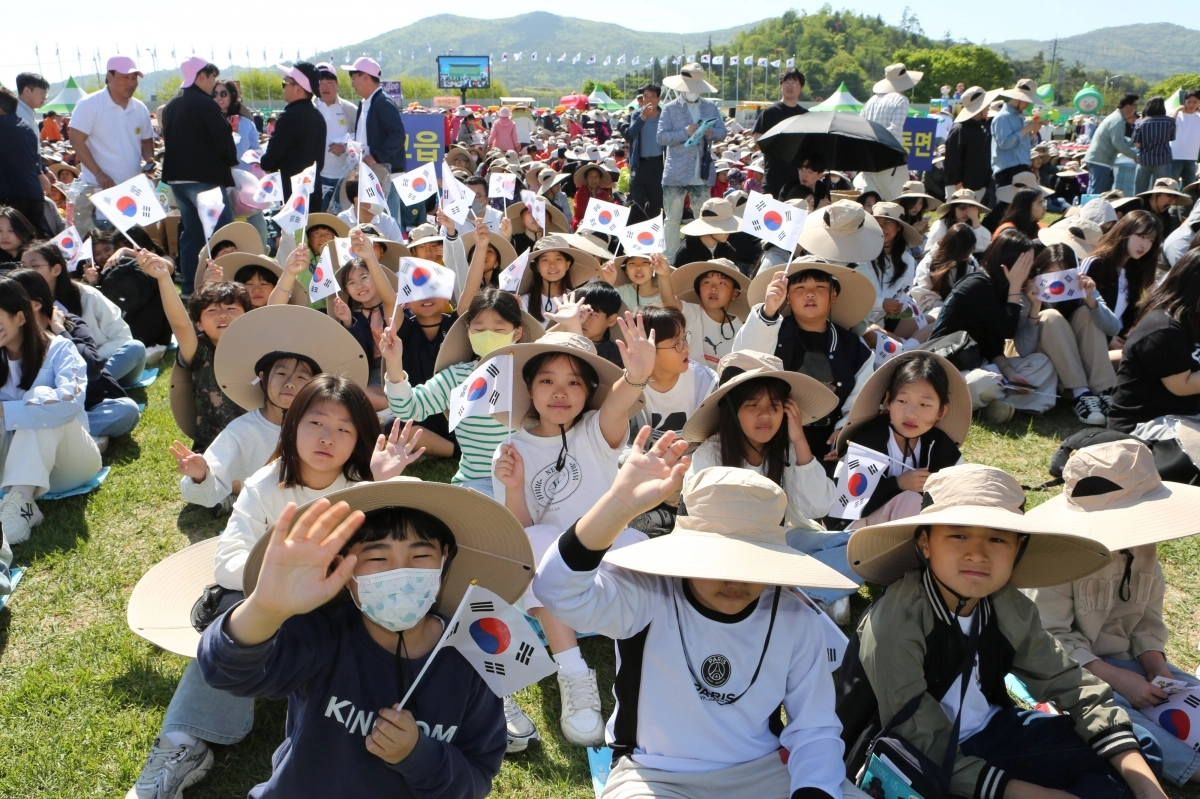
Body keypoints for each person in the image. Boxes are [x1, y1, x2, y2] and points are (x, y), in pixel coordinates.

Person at [534, 436, 871, 799]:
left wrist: (814, 791)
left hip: (763, 770)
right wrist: (617, 505)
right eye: (717, 561)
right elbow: (557, 591)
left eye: (752, 563)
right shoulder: (649, 592)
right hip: (655, 775)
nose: (734, 581)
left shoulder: (793, 614)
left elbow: (814, 728)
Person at [133, 377, 416, 798]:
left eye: (344, 429)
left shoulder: (364, 484)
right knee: (232, 626)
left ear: (359, 437)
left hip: (340, 613)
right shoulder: (265, 484)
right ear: (292, 426)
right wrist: (283, 579)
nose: (327, 438)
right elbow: (228, 563)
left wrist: (378, 486)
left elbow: (394, 563)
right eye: (316, 422)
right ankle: (184, 743)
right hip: (271, 606)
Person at [843, 463, 1169, 799]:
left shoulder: (1007, 605)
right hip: (908, 757)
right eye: (958, 534)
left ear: (1019, 548)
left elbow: (1070, 683)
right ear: (925, 543)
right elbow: (917, 737)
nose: (977, 554)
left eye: (997, 538)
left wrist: (1148, 788)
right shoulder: (896, 621)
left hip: (992, 733)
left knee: (1139, 751)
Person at [198, 475, 524, 798]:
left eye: (420, 556)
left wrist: (418, 755)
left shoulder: (472, 661)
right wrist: (265, 609)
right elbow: (225, 672)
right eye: (378, 558)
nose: (399, 572)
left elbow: (475, 779)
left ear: (445, 560)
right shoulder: (321, 632)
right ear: (344, 571)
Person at [491, 324, 654, 747]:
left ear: (587, 392)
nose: (559, 392)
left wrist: (636, 375)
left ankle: (644, 678)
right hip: (552, 579)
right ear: (530, 389)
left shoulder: (595, 432)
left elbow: (619, 406)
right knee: (541, 540)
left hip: (606, 561)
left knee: (641, 547)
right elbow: (521, 535)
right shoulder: (511, 449)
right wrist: (513, 486)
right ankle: (574, 674)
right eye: (547, 380)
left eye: (573, 382)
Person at [1027, 440, 1200, 787]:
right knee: (1115, 712)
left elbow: (1147, 618)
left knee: (1188, 692)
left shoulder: (1143, 545)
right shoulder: (1059, 556)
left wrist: (1157, 667)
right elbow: (1051, 639)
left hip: (1124, 657)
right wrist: (1118, 679)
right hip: (1065, 669)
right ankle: (1190, 767)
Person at [383, 288, 540, 494]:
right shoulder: (457, 377)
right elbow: (409, 408)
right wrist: (394, 362)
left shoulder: (533, 376)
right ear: (468, 331)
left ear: (516, 333)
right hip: (477, 481)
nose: (488, 335)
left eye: (498, 329)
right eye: (479, 329)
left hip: (531, 478)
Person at [736, 259, 875, 469]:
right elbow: (744, 360)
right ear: (788, 296)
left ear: (833, 295)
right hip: (772, 436)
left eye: (820, 287)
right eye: (800, 287)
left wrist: (845, 431)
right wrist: (769, 311)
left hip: (828, 442)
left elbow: (860, 401)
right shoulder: (770, 328)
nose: (810, 294)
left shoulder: (854, 348)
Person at [0, 275, 102, 545]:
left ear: (20, 317)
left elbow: (71, 402)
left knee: (43, 397)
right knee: (34, 407)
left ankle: (20, 505)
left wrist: (6, 411)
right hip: (9, 470)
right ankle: (20, 502)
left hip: (70, 466)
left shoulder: (60, 349)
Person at [928, 229, 1058, 421]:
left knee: (1042, 363)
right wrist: (1015, 287)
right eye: (1026, 263)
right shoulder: (977, 285)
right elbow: (1007, 329)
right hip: (952, 368)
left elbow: (995, 345)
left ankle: (1003, 406)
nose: (1030, 269)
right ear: (1008, 261)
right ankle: (991, 403)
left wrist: (1011, 373)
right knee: (985, 382)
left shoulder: (1001, 288)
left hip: (983, 364)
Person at [7, 268, 140, 443]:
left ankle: (66, 433)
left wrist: (60, 331)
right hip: (40, 407)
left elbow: (91, 368)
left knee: (127, 410)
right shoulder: (10, 334)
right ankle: (66, 434)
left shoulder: (70, 323)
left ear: (36, 304)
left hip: (84, 401)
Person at [836, 351, 967, 528]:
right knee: (910, 500)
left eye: (924, 405)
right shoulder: (868, 441)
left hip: (921, 528)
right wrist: (898, 484)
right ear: (888, 401)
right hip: (858, 530)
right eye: (902, 401)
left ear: (942, 411)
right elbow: (847, 507)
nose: (911, 414)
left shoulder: (940, 447)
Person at [141, 249, 250, 452]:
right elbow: (180, 324)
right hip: (214, 450)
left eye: (231, 309)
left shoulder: (259, 349)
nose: (223, 315)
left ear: (247, 316)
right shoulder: (201, 352)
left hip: (261, 446)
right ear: (199, 324)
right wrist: (164, 277)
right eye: (212, 311)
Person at [20, 241, 146, 388]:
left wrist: (89, 359)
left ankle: (80, 392)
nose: (26, 272)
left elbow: (122, 337)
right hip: (57, 373)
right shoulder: (20, 302)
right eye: (23, 266)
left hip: (101, 364)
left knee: (135, 348)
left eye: (34, 266)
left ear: (56, 269)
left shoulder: (88, 296)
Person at [161, 57, 238, 297]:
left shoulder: (172, 104)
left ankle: (190, 288)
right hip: (204, 179)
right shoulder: (205, 103)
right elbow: (222, 139)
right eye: (212, 78)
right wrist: (231, 160)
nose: (214, 85)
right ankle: (228, 286)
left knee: (192, 234)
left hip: (177, 179)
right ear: (201, 76)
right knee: (223, 233)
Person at [1106, 250, 1200, 434]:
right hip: (1146, 425)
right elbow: (1182, 385)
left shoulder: (1193, 318)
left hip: (1186, 416)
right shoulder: (1163, 328)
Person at [68, 56, 156, 238]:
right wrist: (99, 173)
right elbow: (76, 140)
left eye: (134, 78)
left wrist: (149, 160)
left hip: (133, 191)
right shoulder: (90, 105)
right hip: (99, 191)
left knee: (134, 244)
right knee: (103, 245)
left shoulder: (140, 108)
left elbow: (146, 141)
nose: (131, 83)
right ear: (109, 76)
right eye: (126, 77)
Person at [658, 63, 727, 260]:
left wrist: (710, 132)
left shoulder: (710, 106)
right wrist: (684, 132)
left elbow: (723, 132)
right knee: (672, 219)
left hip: (702, 171)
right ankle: (669, 259)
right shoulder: (670, 109)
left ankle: (702, 258)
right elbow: (661, 137)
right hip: (676, 172)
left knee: (703, 219)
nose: (692, 91)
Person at [1080, 209, 1164, 341]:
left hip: (1119, 341)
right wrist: (1109, 338)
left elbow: (1130, 317)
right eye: (1141, 236)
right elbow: (1080, 310)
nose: (1145, 245)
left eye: (1151, 240)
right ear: (1125, 232)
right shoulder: (1096, 264)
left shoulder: (1137, 271)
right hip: (1091, 339)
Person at [344, 57, 406, 222]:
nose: (352, 84)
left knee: (386, 221)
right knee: (372, 221)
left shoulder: (383, 103)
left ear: (365, 77)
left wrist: (376, 157)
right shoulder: (367, 104)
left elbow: (398, 135)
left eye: (354, 78)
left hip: (385, 174)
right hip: (371, 173)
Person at [665, 257, 749, 367]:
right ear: (699, 290)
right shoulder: (692, 313)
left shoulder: (741, 330)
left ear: (734, 293)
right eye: (707, 282)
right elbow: (670, 302)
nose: (713, 288)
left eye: (722, 283)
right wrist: (663, 276)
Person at [856, 64, 922, 201]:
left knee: (871, 204)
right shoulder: (901, 100)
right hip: (891, 160)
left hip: (869, 159)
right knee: (895, 204)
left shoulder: (870, 101)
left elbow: (860, 127)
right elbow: (895, 129)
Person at [260, 63, 325, 201]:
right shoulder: (318, 116)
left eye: (285, 83)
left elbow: (272, 157)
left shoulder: (290, 116)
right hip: (312, 189)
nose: (283, 87)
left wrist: (264, 162)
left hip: (292, 196)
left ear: (298, 89)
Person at [517, 236, 600, 326]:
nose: (552, 265)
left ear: (567, 264)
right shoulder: (523, 302)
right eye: (545, 260)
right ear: (537, 266)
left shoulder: (576, 301)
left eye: (558, 259)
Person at [860, 203, 919, 328]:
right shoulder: (861, 254)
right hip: (859, 321)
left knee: (930, 323)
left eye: (887, 223)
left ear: (898, 227)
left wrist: (897, 305)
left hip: (883, 322)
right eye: (877, 223)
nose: (881, 228)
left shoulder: (907, 260)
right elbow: (854, 294)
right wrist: (882, 304)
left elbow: (903, 293)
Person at [0, 89, 50, 237]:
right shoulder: (25, 126)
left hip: (10, 197)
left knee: (13, 242)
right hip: (32, 193)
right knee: (36, 240)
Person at [752, 68, 809, 198]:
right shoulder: (769, 112)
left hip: (797, 177)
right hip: (774, 174)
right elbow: (758, 141)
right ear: (781, 86)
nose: (790, 86)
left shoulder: (805, 115)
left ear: (801, 87)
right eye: (786, 82)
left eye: (794, 82)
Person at [313, 63, 357, 212]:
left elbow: (360, 139)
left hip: (344, 177)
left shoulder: (350, 109)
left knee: (342, 222)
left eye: (329, 83)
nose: (325, 87)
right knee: (319, 222)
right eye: (320, 83)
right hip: (317, 177)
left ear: (337, 83)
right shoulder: (311, 109)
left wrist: (345, 147)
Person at [911, 222, 980, 317]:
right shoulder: (929, 263)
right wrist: (951, 309)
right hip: (932, 313)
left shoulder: (970, 263)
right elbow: (924, 298)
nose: (967, 257)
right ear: (953, 250)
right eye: (964, 254)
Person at [991, 79, 1048, 188]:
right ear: (1017, 98)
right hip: (1007, 170)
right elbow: (1004, 144)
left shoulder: (1019, 117)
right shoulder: (1003, 117)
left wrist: (1033, 131)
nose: (1028, 104)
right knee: (1006, 204)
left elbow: (1024, 145)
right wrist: (1026, 129)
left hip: (1020, 168)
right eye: (1026, 100)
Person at [1085, 95, 1140, 195]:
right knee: (1096, 193)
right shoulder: (1117, 120)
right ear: (1128, 106)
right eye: (1135, 105)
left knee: (1093, 191)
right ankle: (1090, 210)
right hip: (1100, 161)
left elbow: (1119, 140)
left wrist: (1133, 143)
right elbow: (1117, 142)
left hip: (1097, 159)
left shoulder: (1116, 118)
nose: (1136, 108)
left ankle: (1085, 209)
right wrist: (1134, 155)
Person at [625, 84, 664, 219]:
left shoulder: (664, 115)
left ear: (659, 98)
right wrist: (643, 117)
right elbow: (631, 133)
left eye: (652, 96)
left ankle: (651, 232)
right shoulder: (637, 114)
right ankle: (636, 229)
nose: (648, 100)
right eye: (645, 96)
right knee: (637, 201)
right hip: (640, 164)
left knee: (656, 203)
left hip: (658, 164)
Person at [672, 196, 739, 267]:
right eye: (724, 226)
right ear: (711, 226)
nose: (729, 230)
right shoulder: (686, 251)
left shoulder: (728, 251)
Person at [1132, 97, 1176, 195]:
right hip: (1163, 159)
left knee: (1140, 191)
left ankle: (1139, 208)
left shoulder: (1141, 123)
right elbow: (1171, 138)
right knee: (1162, 191)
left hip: (1144, 160)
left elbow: (1138, 145)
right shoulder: (1170, 122)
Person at [925, 189, 991, 253]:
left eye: (970, 209)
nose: (966, 213)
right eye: (962, 208)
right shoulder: (940, 225)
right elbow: (930, 249)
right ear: (953, 209)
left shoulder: (974, 226)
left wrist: (976, 221)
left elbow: (982, 247)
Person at [599, 252, 674, 309]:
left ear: (654, 267)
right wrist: (607, 284)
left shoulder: (666, 296)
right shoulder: (619, 293)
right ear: (626, 271)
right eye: (632, 263)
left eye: (645, 262)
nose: (638, 267)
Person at [571, 163, 614, 231]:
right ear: (586, 178)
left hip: (600, 225)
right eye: (591, 176)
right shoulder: (580, 193)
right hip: (583, 225)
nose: (594, 179)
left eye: (596, 177)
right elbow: (580, 213)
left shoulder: (603, 194)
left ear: (600, 179)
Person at [1170, 90, 1200, 188]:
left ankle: (1189, 204)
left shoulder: (1198, 117)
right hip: (1175, 156)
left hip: (1191, 157)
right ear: (1184, 102)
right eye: (1189, 102)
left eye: (1195, 102)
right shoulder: (1177, 116)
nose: (1192, 104)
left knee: (1190, 187)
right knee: (1171, 185)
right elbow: (1169, 125)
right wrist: (1177, 109)